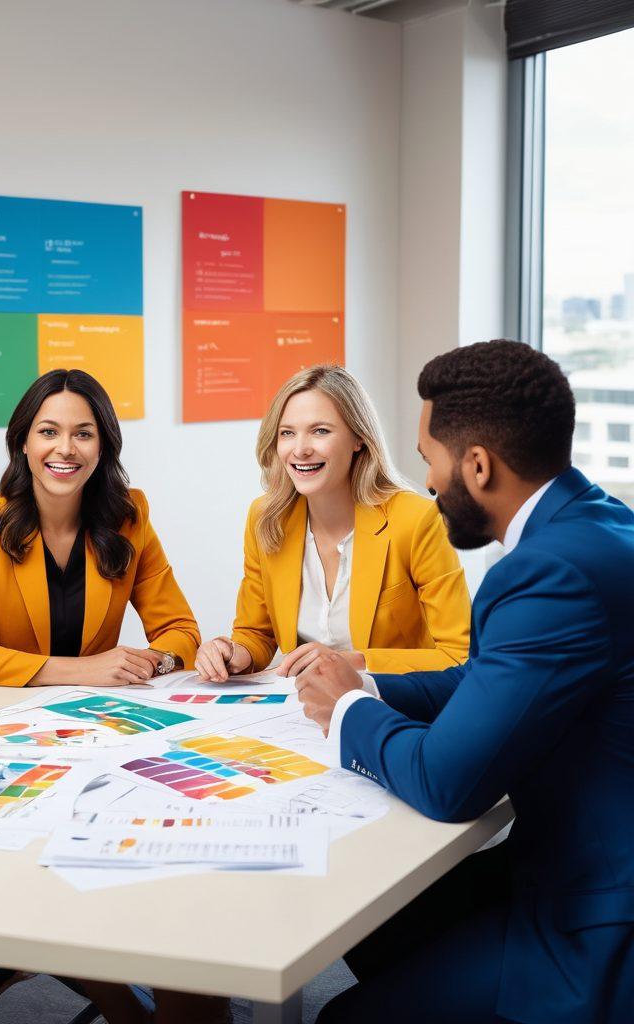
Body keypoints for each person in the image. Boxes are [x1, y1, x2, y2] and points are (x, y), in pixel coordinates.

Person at [298, 341, 634, 1024]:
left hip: (594, 921)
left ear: (477, 466)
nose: (426, 482)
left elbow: (449, 786)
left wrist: (350, 712)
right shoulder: (598, 523)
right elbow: (492, 681)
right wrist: (375, 684)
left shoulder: (547, 574)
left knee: (340, 1018)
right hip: (572, 858)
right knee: (378, 914)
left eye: (430, 459)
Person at [195, 364, 470, 683]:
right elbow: (256, 633)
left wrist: (354, 661)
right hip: (297, 710)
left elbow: (458, 655)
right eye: (287, 433)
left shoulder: (417, 519)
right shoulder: (266, 518)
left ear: (358, 439)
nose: (300, 449)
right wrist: (233, 653)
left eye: (320, 431)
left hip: (393, 707)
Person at [0, 368, 200, 687]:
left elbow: (181, 631)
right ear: (24, 441)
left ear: (102, 446)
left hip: (95, 717)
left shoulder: (128, 517)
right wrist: (86, 670)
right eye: (49, 432)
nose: (65, 448)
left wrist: (154, 663)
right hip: (8, 718)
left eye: (83, 434)